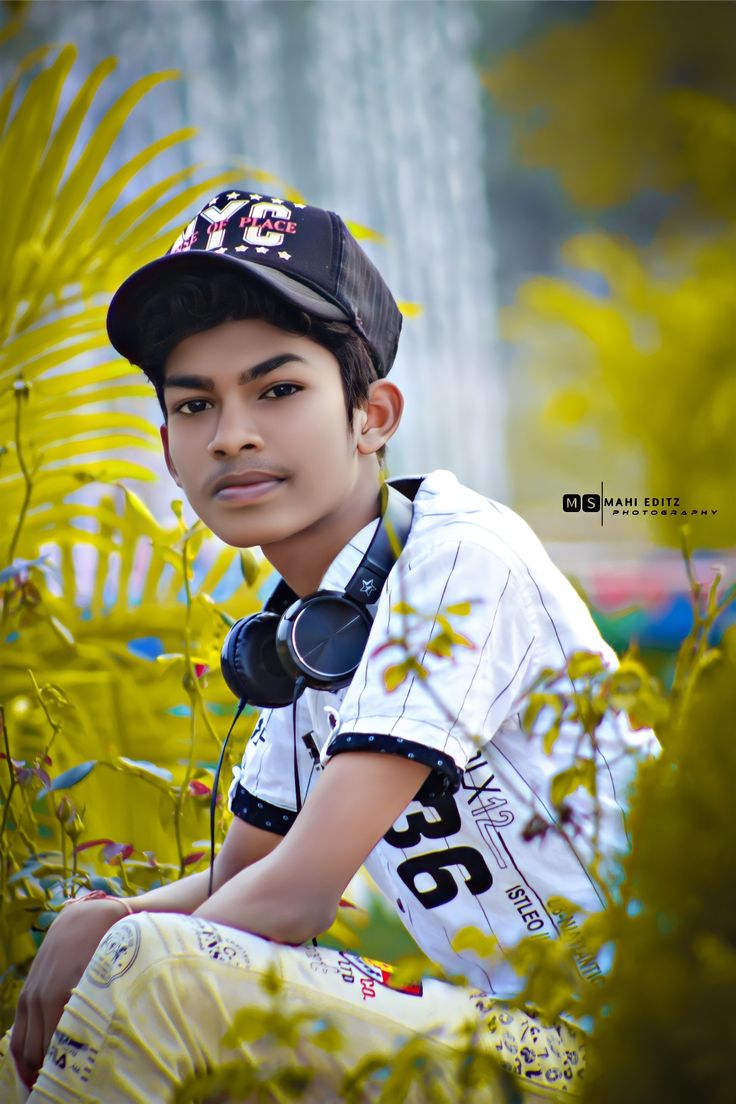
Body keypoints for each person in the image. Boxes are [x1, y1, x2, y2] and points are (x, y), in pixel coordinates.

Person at [0, 191, 658, 1102]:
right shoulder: (310, 633)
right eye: (195, 405)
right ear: (166, 445)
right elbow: (244, 875)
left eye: (278, 390)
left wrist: (125, 950)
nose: (231, 435)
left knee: (150, 974)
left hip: (636, 1053)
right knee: (78, 1002)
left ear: (373, 415)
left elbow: (297, 897)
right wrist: (103, 915)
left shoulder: (460, 555)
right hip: (509, 1037)